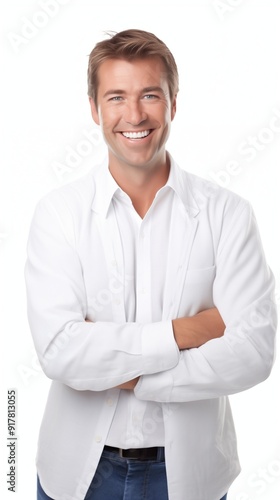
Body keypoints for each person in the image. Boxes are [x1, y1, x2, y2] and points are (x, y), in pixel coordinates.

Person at [25, 29, 277, 500]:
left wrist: (116, 368)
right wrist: (186, 333)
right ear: (95, 109)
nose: (135, 115)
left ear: (173, 104)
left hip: (191, 476)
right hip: (78, 472)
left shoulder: (228, 214)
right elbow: (59, 349)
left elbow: (255, 352)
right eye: (116, 97)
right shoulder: (59, 214)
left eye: (150, 95)